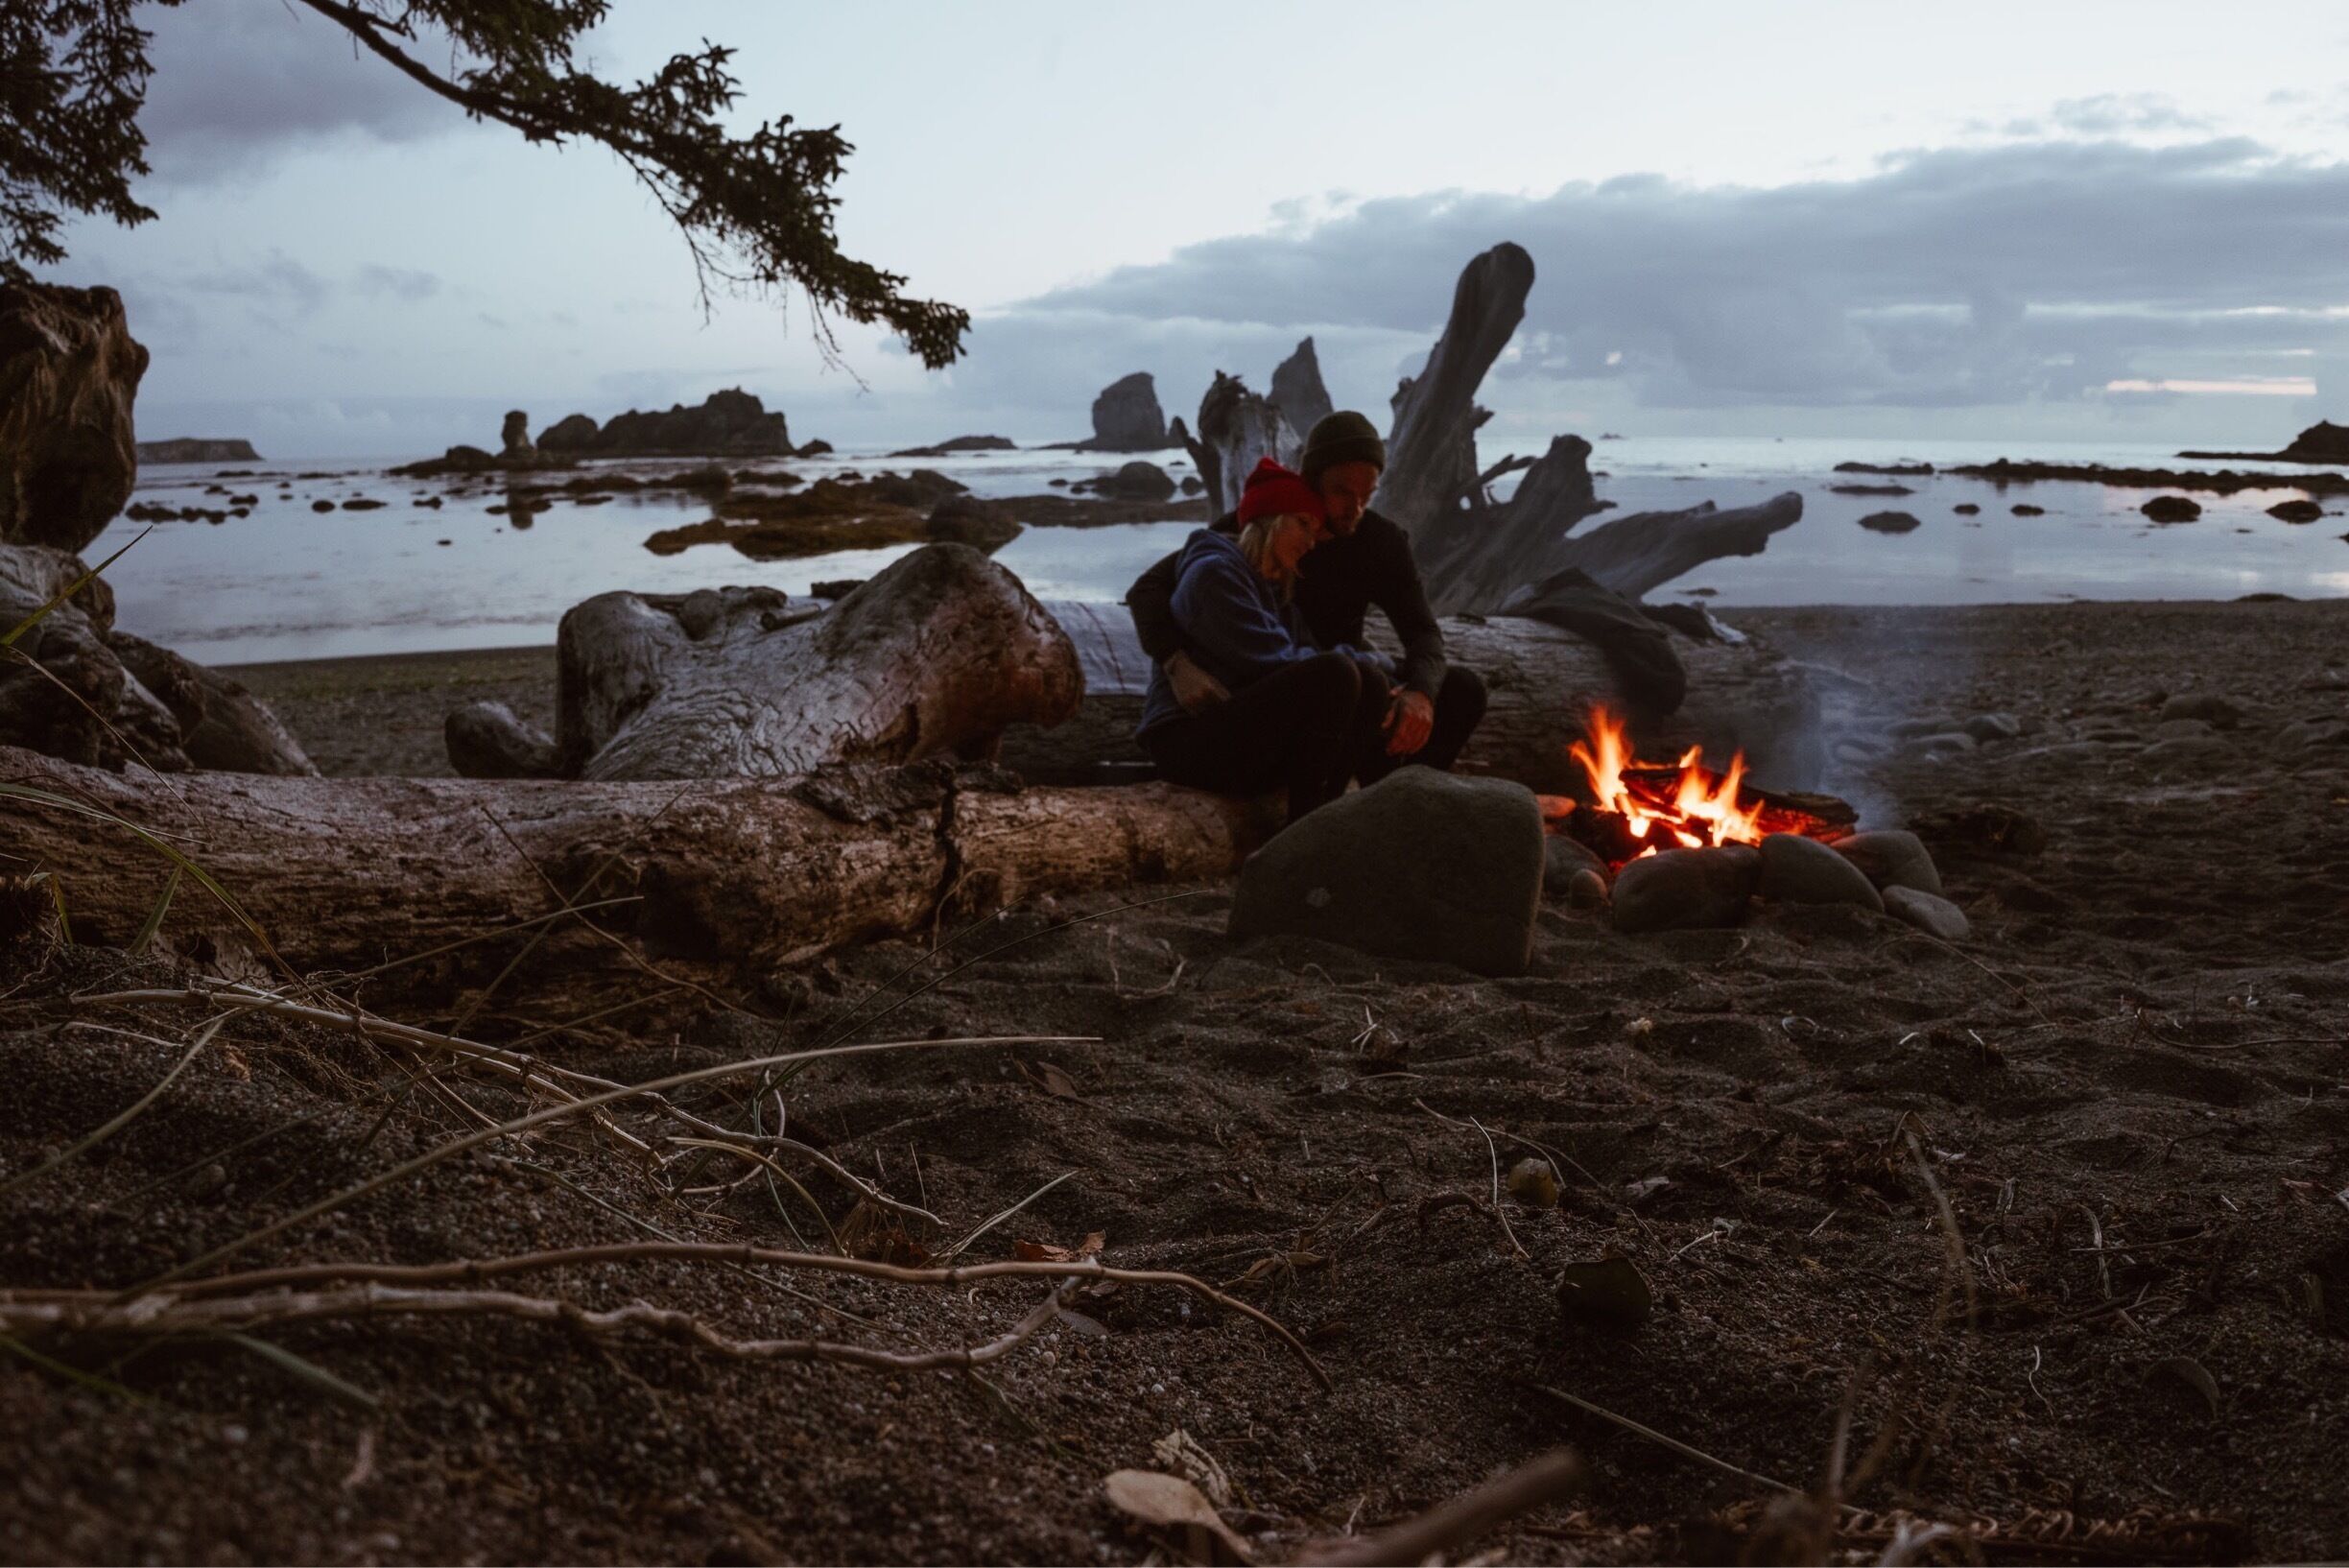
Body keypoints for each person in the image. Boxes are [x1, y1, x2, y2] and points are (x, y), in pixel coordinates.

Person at [1127, 408, 1486, 776]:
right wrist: (1176, 665)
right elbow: (1148, 588)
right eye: (1343, 492)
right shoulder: (1267, 524)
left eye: (1368, 495)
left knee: (1463, 689)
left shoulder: (1381, 543)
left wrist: (1421, 693)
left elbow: (1423, 633)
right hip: (1279, 697)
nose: (1355, 510)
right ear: (1312, 480)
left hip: (1351, 694)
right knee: (1341, 676)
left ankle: (1398, 803)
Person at [1135, 459, 1395, 823]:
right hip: (1187, 742)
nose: (1309, 542)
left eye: (1315, 531)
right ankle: (1301, 836)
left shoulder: (1275, 592)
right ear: (1269, 519)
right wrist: (1377, 659)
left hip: (1237, 734)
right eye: (1302, 524)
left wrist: (1379, 668)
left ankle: (1322, 818)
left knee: (1369, 682)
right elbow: (1277, 662)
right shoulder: (1215, 575)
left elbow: (1312, 658)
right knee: (1337, 673)